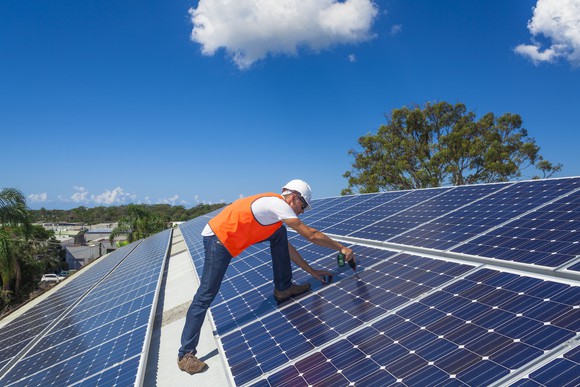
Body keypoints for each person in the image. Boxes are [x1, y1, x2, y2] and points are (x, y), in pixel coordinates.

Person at [177, 179, 355, 375]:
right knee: (206, 293)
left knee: (280, 234)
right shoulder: (276, 204)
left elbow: (287, 249)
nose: (302, 211)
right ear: (294, 198)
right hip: (218, 239)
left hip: (233, 237)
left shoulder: (275, 218)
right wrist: (341, 248)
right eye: (302, 206)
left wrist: (312, 271)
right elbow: (311, 235)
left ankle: (283, 288)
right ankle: (185, 354)